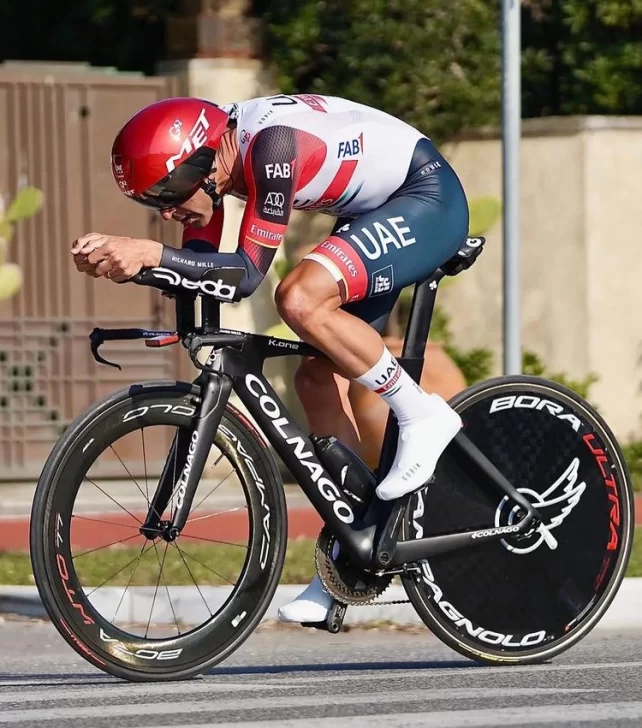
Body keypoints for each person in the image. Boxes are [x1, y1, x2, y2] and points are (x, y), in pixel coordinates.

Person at [71, 94, 469, 625]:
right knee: (313, 378)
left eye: (167, 191)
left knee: (299, 297)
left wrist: (149, 253)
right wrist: (134, 267)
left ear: (205, 159)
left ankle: (422, 414)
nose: (165, 211)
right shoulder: (216, 167)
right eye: (153, 201)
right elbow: (205, 273)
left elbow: (246, 276)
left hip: (426, 198)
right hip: (371, 212)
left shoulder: (272, 148)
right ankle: (355, 547)